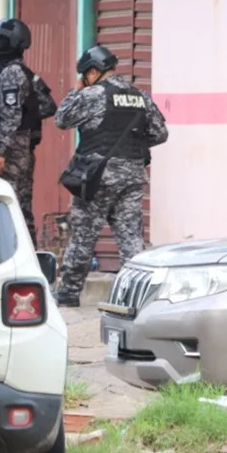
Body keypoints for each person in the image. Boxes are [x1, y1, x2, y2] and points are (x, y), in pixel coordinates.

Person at [53, 45, 169, 307]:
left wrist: (76, 90)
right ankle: (138, 296)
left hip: (98, 176)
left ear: (93, 72)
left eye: (85, 74)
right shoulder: (140, 96)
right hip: (132, 176)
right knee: (131, 239)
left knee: (83, 235)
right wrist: (132, 147)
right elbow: (160, 133)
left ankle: (69, 293)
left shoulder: (92, 94)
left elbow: (61, 119)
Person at [0, 19, 48, 248]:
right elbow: (45, 105)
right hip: (19, 144)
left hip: (11, 150)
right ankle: (29, 254)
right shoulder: (17, 71)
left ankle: (16, 253)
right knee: (21, 207)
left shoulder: (12, 73)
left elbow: (11, 116)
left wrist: (0, 151)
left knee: (11, 206)